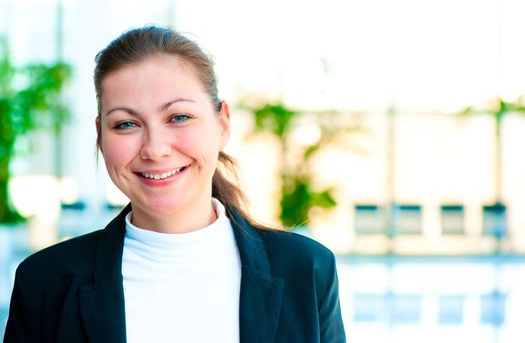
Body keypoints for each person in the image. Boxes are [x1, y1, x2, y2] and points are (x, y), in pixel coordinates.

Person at [4, 26, 346, 343]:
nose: (155, 149)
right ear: (101, 137)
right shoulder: (45, 282)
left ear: (222, 123)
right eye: (126, 124)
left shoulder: (307, 269)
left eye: (178, 117)